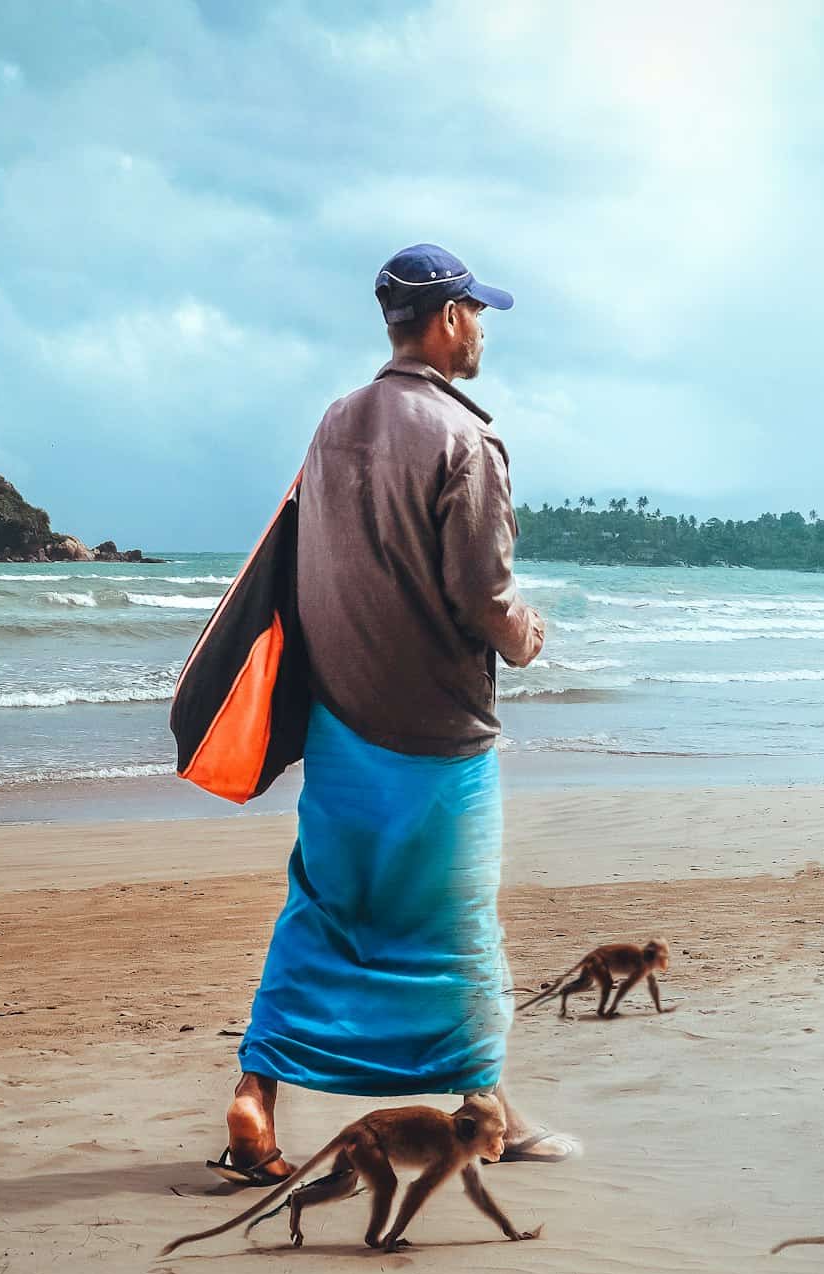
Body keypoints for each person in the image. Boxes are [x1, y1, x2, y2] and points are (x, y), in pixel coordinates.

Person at [208, 243, 576, 1186]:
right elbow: (481, 594)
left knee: (322, 909)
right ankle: (489, 1110)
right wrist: (527, 635)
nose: (481, 328)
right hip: (439, 736)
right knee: (459, 922)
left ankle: (254, 1095)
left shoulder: (334, 421)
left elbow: (308, 565)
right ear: (447, 318)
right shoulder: (468, 441)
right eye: (476, 311)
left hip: (341, 726)